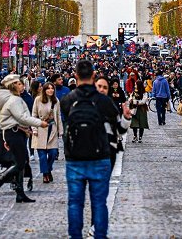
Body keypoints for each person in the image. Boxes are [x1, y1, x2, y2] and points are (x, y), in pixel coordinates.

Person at [60, 60, 132, 239]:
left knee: (75, 203)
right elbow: (119, 130)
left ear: (75, 76)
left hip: (74, 158)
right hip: (100, 156)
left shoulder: (67, 100)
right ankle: (100, 236)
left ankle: (74, 236)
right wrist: (125, 118)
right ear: (93, 76)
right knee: (99, 203)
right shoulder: (104, 101)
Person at [0, 74, 47, 203]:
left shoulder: (13, 98)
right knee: (20, 163)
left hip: (16, 133)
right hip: (14, 133)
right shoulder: (14, 100)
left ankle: (20, 193)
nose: (22, 85)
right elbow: (22, 117)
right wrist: (39, 123)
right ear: (14, 85)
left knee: (19, 163)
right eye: (20, 83)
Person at [95, 77, 129, 170]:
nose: (102, 89)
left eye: (105, 87)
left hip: (108, 149)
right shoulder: (89, 103)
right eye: (99, 86)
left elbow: (120, 128)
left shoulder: (111, 107)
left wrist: (126, 118)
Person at [32, 82, 63, 183]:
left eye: (52, 88)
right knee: (42, 155)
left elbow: (58, 115)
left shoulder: (56, 101)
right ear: (44, 90)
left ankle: (48, 169)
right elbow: (34, 115)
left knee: (53, 153)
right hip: (40, 128)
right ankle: (45, 174)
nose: (50, 90)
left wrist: (60, 130)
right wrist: (34, 129)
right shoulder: (38, 100)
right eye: (48, 88)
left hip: (52, 128)